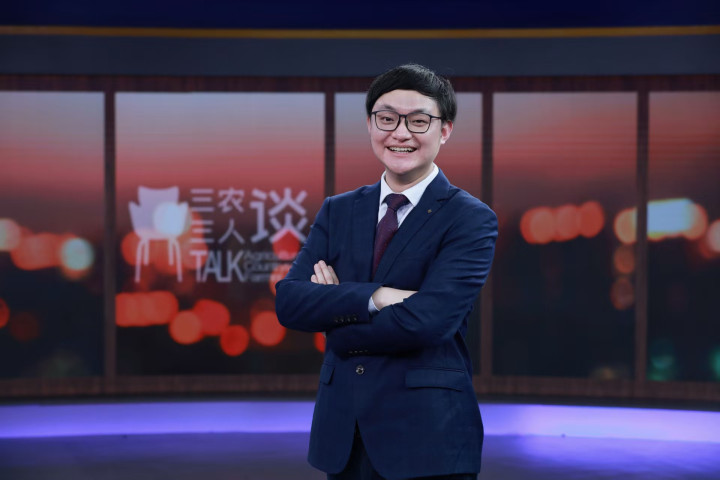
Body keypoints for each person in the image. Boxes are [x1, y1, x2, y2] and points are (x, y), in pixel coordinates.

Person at [275, 63, 498, 480]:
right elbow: (289, 302)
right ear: (370, 124)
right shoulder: (338, 210)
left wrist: (335, 319)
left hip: (428, 436)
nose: (400, 133)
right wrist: (376, 297)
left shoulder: (470, 218)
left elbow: (430, 321)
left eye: (419, 121)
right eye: (387, 119)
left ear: (445, 130)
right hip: (344, 435)